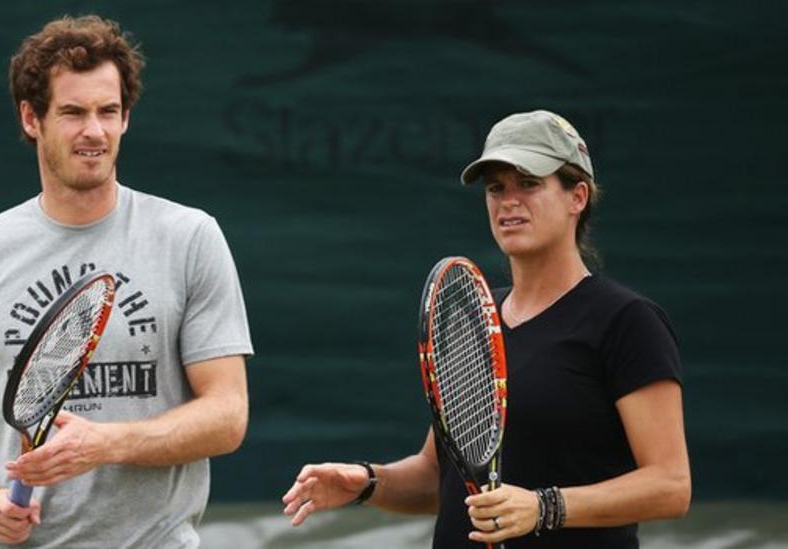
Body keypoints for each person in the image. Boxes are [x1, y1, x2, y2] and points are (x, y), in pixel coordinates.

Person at [0, 15, 253, 548]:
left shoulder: (189, 238)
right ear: (31, 118)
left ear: (125, 118)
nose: (94, 130)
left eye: (108, 111)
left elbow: (227, 415)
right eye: (72, 113)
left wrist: (105, 443)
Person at [281, 110, 690, 548]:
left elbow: (669, 485)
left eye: (529, 183)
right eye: (496, 188)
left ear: (578, 197)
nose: (508, 200)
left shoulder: (626, 321)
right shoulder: (475, 315)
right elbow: (438, 479)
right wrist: (365, 482)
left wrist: (544, 507)